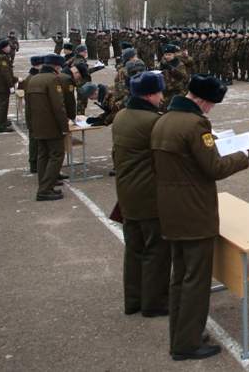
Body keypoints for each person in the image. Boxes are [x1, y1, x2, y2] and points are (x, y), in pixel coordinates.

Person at [151, 75, 249, 361]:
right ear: (202, 101)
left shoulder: (164, 120)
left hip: (171, 208)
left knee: (180, 277)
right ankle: (187, 344)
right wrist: (243, 155)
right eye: (210, 105)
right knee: (195, 280)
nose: (210, 111)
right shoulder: (195, 124)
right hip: (194, 211)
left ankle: (183, 334)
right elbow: (214, 167)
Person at [112, 71, 171, 318]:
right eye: (159, 92)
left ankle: (133, 300)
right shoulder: (153, 122)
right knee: (156, 251)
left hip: (127, 193)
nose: (162, 97)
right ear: (149, 95)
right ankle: (154, 302)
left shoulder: (121, 116)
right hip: (149, 195)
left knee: (134, 249)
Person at [26, 54, 70, 201]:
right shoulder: (53, 80)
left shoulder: (33, 79)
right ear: (56, 66)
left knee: (43, 156)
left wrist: (30, 125)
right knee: (57, 155)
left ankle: (44, 186)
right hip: (51, 125)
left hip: (37, 125)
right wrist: (64, 126)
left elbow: (28, 106)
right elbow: (58, 106)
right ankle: (45, 189)